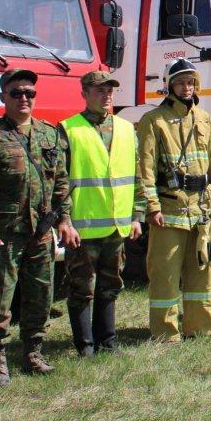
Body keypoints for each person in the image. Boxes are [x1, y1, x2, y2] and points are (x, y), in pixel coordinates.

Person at [0, 69, 75, 388]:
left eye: (30, 93)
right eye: (16, 93)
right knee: (0, 297)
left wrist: (64, 220)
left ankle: (33, 351)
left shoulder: (49, 133)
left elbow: (60, 182)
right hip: (5, 233)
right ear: (3, 97)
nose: (24, 98)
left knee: (41, 293)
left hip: (41, 231)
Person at [138, 59, 211, 340]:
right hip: (170, 209)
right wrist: (152, 207)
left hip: (202, 209)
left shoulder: (204, 119)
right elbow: (145, 168)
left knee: (203, 269)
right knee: (165, 273)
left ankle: (201, 327)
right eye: (180, 82)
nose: (187, 88)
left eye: (190, 82)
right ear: (168, 86)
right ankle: (166, 332)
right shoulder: (153, 121)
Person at [58, 71, 145, 356]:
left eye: (110, 89)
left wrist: (136, 215)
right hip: (82, 229)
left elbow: (137, 175)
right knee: (81, 288)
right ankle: (85, 346)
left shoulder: (125, 128)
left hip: (116, 228)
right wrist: (64, 221)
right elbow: (58, 182)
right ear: (84, 93)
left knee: (110, 285)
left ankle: (107, 342)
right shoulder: (68, 129)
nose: (106, 94)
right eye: (99, 90)